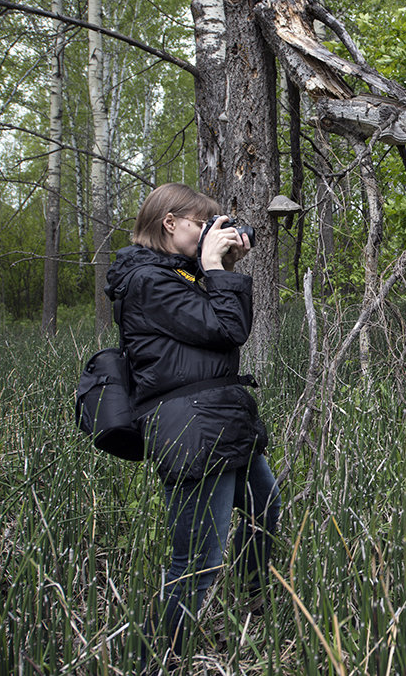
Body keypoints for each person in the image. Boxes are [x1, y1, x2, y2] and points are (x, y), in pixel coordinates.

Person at [104, 182, 281, 660]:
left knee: (265, 508)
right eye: (201, 223)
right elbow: (228, 328)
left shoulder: (176, 274)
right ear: (170, 223)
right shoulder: (147, 280)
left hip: (220, 421)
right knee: (197, 561)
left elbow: (219, 330)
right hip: (192, 428)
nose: (209, 232)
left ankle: (255, 605)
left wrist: (221, 269)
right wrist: (213, 267)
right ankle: (159, 657)